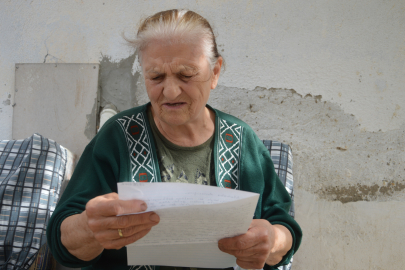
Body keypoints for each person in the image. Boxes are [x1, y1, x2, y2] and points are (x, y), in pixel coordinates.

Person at [47, 9, 302, 270]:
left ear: (215, 72)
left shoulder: (241, 140)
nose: (170, 91)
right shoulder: (117, 136)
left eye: (186, 74)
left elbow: (283, 226)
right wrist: (89, 228)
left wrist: (273, 240)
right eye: (156, 76)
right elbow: (61, 240)